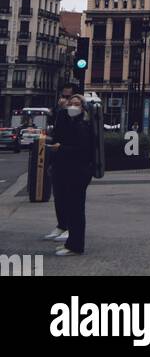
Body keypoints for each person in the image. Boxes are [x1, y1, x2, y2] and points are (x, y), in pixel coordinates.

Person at [48, 94, 94, 255]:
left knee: (75, 208)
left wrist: (61, 148)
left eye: (77, 104)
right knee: (71, 207)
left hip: (79, 171)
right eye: (71, 104)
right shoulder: (73, 122)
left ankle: (75, 245)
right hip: (71, 170)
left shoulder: (83, 125)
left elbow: (82, 151)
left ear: (83, 108)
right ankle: (71, 243)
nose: (73, 107)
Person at [43, 86, 75, 244]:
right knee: (59, 195)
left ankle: (70, 227)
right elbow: (55, 132)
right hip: (58, 159)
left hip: (71, 161)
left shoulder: (77, 116)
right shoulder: (60, 113)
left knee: (69, 196)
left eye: (68, 97)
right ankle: (61, 225)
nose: (64, 100)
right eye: (63, 96)